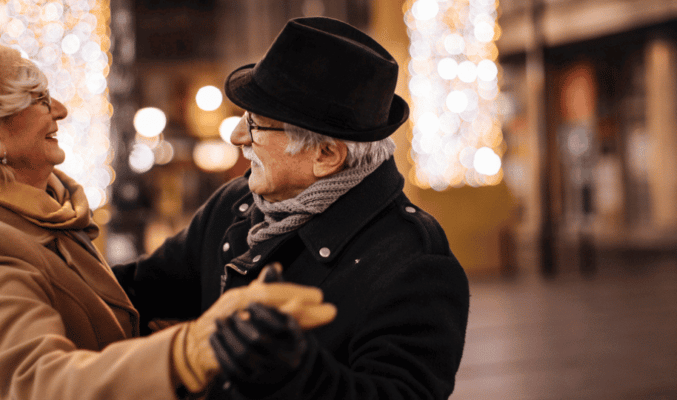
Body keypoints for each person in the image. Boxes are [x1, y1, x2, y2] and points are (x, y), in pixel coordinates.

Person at [114, 17, 470, 400]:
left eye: (256, 124)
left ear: (326, 154)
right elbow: (135, 293)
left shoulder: (414, 262)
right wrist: (52, 261)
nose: (237, 136)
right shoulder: (235, 205)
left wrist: (295, 373)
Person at [0, 44, 335, 400]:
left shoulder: (56, 213)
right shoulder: (11, 240)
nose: (62, 110)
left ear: (328, 154)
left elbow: (128, 303)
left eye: (258, 123)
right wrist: (185, 351)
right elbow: (35, 383)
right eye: (39, 99)